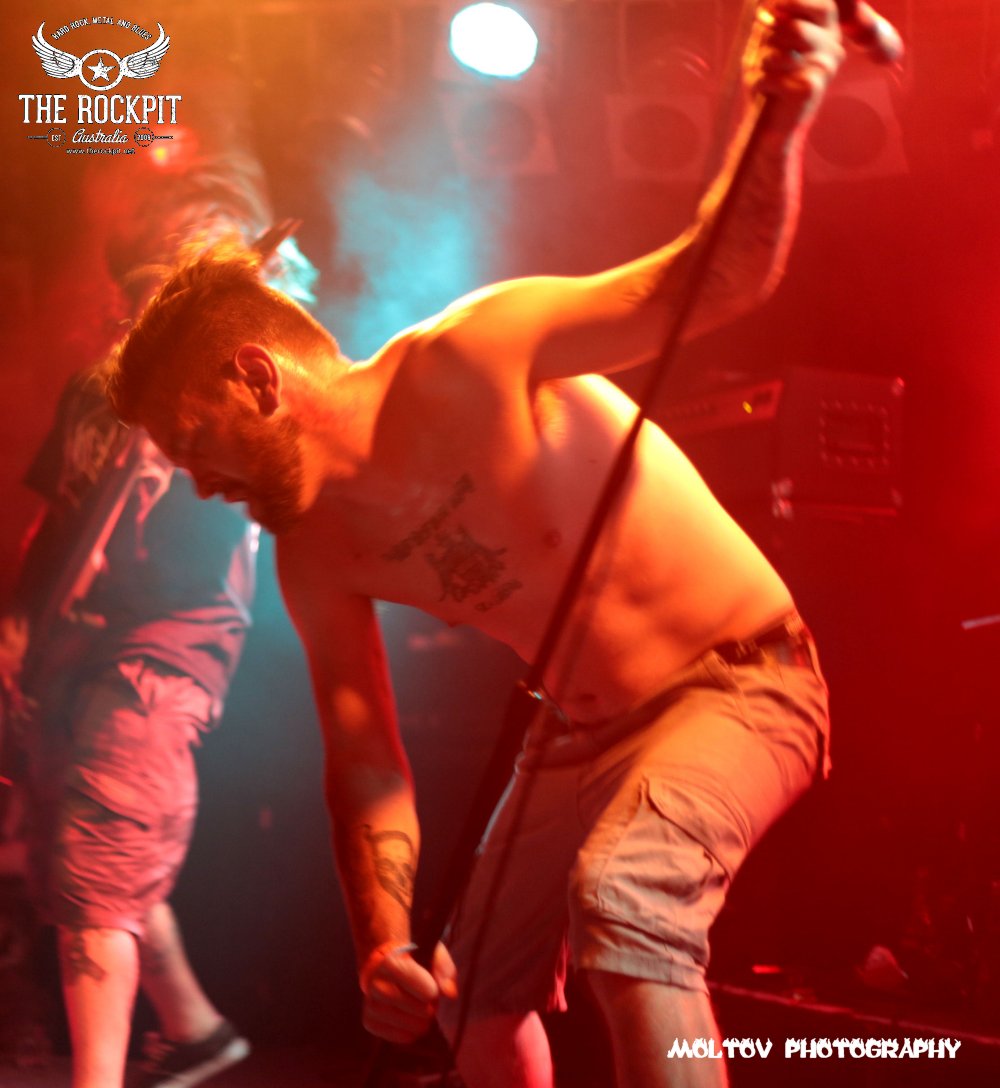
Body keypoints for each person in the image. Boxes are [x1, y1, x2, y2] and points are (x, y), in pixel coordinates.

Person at [106, 4, 846, 1085]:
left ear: (255, 378)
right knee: (472, 996)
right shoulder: (316, 552)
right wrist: (383, 947)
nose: (196, 478)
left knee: (626, 894)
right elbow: (365, 759)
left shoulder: (470, 356)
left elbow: (713, 277)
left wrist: (780, 115)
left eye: (191, 438)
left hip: (742, 682)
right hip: (578, 732)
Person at [0, 234, 266, 1086]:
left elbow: (234, 523)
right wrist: (19, 619)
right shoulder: (92, 390)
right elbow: (61, 515)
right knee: (87, 860)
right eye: (132, 296)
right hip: (69, 650)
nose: (136, 315)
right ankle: (195, 1031)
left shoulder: (228, 389)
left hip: (163, 648)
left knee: (97, 869)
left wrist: (177, 431)